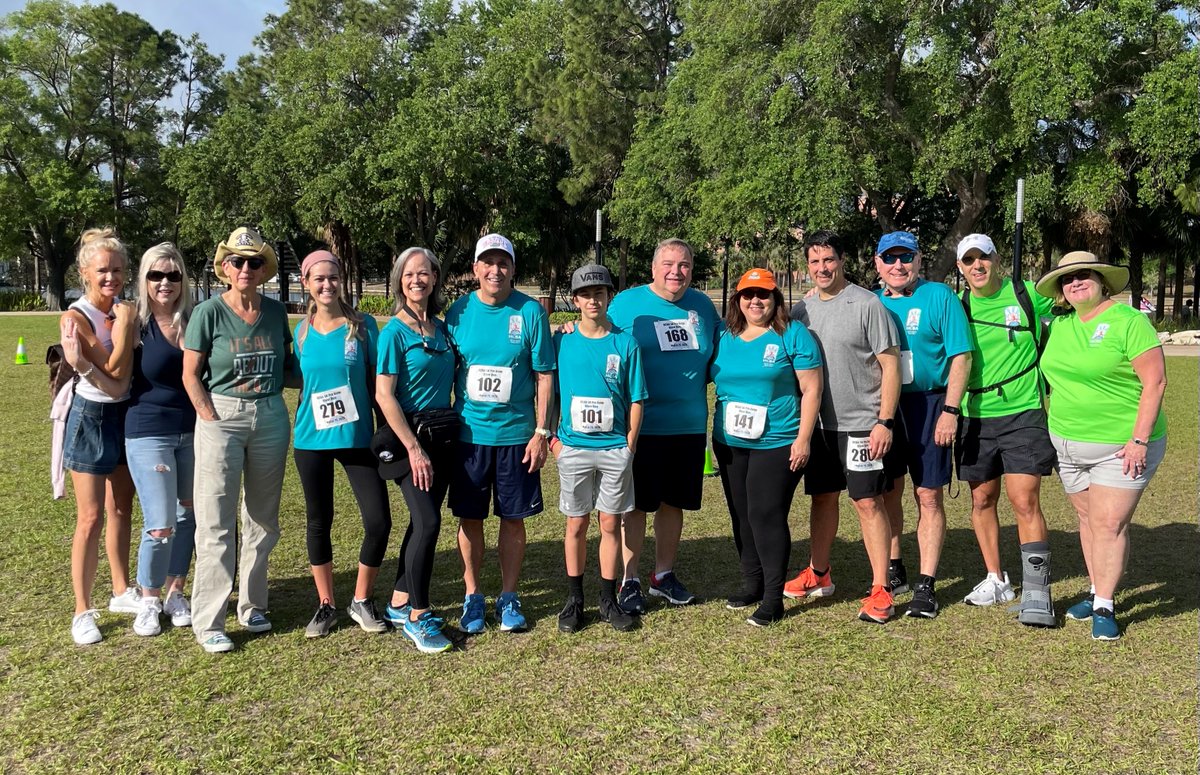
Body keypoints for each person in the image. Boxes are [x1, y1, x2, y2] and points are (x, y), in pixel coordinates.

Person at [1036, 251, 1167, 640]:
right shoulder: (1060, 325)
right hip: (1067, 444)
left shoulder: (1129, 321)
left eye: (1084, 275)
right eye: (1067, 279)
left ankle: (1105, 605)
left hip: (1121, 445)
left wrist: (1139, 440)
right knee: (1088, 519)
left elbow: (1155, 382)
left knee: (1108, 524)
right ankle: (1096, 590)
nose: (1076, 282)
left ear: (1102, 280)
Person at [183, 226, 294, 653]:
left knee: (262, 518)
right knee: (215, 519)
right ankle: (209, 621)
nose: (245, 268)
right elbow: (190, 374)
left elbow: (288, 365)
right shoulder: (208, 312)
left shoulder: (276, 312)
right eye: (237, 261)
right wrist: (209, 415)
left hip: (270, 414)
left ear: (264, 269)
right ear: (225, 267)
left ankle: (253, 604)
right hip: (222, 414)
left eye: (254, 262)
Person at [783, 230, 902, 624]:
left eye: (828, 260)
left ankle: (881, 588)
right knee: (822, 498)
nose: (822, 268)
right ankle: (819, 573)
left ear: (842, 261)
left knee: (867, 502)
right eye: (815, 261)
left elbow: (890, 367)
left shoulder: (867, 304)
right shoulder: (801, 310)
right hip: (818, 427)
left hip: (862, 426)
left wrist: (884, 422)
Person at [445, 233, 555, 634]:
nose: (496, 270)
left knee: (513, 518)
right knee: (470, 517)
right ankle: (473, 595)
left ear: (513, 269)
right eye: (488, 262)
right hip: (470, 436)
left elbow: (545, 375)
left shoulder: (530, 311)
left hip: (517, 437)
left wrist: (541, 431)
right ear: (475, 268)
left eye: (503, 263)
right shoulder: (458, 312)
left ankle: (509, 596)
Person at [606, 238, 721, 613]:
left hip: (688, 424)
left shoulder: (702, 305)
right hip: (640, 425)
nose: (676, 272)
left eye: (684, 265)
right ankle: (630, 580)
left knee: (673, 503)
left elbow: (724, 346)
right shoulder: (626, 304)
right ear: (653, 268)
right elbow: (601, 339)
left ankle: (663, 575)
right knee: (636, 505)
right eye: (668, 264)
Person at [955, 233, 1057, 627]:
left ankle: (1036, 591)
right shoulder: (957, 305)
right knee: (982, 498)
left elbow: (1071, 297)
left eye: (983, 257)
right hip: (974, 416)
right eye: (969, 260)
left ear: (997, 259)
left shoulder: (1027, 293)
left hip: (1023, 412)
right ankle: (996, 579)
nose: (977, 266)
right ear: (961, 268)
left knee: (1024, 499)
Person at [711, 269, 822, 626]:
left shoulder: (792, 333)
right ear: (737, 300)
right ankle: (752, 583)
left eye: (764, 294)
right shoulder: (723, 334)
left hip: (778, 441)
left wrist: (803, 439)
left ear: (776, 299)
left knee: (765, 513)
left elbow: (812, 390)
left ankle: (774, 599)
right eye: (748, 294)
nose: (755, 301)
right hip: (730, 442)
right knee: (741, 514)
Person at [291, 250, 391, 638]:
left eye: (333, 277)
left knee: (378, 521)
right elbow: (302, 384)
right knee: (319, 521)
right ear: (306, 283)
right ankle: (326, 604)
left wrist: (385, 432)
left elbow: (376, 385)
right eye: (319, 279)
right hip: (311, 439)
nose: (327, 285)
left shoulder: (363, 327)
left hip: (357, 439)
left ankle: (361, 600)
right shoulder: (301, 332)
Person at [872, 232, 972, 618]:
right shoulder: (871, 302)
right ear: (878, 264)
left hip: (930, 404)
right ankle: (894, 564)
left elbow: (961, 357)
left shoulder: (939, 296)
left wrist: (950, 410)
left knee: (928, 494)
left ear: (918, 260)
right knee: (888, 490)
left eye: (905, 257)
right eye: (889, 258)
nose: (898, 265)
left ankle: (926, 583)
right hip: (884, 407)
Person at [550, 264, 646, 634]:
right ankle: (575, 600)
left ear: (609, 297)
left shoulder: (626, 343)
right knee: (576, 523)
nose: (593, 300)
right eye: (586, 294)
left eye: (600, 293)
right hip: (573, 448)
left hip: (614, 449)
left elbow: (636, 399)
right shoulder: (561, 340)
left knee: (610, 523)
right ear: (575, 300)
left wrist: (629, 446)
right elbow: (546, 388)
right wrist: (553, 441)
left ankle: (608, 599)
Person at [374, 247, 458, 654]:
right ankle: (418, 615)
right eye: (409, 274)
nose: (416, 280)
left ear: (435, 278)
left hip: (442, 436)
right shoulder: (394, 332)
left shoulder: (442, 329)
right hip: (409, 439)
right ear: (399, 280)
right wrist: (413, 449)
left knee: (420, 523)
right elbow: (384, 395)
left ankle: (398, 602)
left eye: (423, 273)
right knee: (428, 522)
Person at [59, 228, 138, 645]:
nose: (112, 278)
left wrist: (125, 320)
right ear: (85, 273)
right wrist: (124, 327)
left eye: (118, 270)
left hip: (126, 415)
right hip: (90, 417)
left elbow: (121, 380)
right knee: (90, 518)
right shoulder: (76, 317)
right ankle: (82, 610)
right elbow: (114, 369)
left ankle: (121, 590)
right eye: (103, 270)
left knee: (121, 508)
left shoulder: (125, 308)